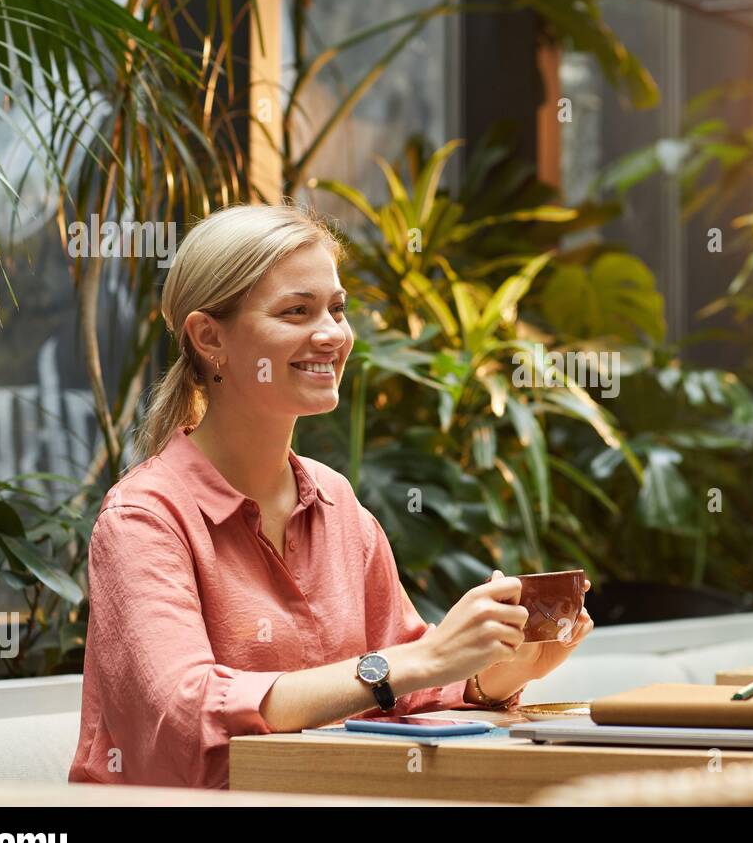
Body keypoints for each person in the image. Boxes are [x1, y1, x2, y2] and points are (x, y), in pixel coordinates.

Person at [68, 204, 593, 788]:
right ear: (209, 337)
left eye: (337, 309)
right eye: (296, 311)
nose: (332, 334)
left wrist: (490, 673)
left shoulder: (337, 503)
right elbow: (183, 716)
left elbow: (399, 685)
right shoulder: (144, 520)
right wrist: (417, 662)